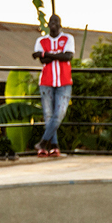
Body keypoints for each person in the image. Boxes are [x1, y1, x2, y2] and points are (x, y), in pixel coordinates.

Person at [32, 14, 74, 157]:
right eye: (51, 21)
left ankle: (43, 142)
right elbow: (43, 62)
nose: (54, 24)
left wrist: (45, 54)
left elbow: (68, 56)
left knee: (59, 113)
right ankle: (54, 146)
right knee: (48, 115)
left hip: (64, 82)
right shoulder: (41, 40)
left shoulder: (68, 38)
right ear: (48, 24)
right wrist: (56, 55)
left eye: (56, 21)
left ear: (60, 24)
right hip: (46, 82)